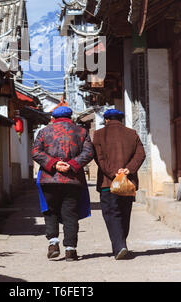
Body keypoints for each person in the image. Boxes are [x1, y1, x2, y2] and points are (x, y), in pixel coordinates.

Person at [32, 106, 94, 262]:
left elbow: (36, 152)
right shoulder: (81, 132)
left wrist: (53, 164)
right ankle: (70, 250)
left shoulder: (44, 131)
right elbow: (88, 152)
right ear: (70, 116)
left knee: (50, 211)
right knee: (70, 213)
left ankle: (53, 244)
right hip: (72, 180)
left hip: (49, 179)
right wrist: (71, 165)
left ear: (53, 117)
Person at [93, 108, 146, 260]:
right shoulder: (132, 133)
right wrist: (128, 170)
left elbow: (99, 158)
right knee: (124, 214)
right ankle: (120, 244)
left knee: (112, 214)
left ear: (106, 120)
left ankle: (120, 246)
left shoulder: (99, 134)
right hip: (127, 183)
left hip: (107, 183)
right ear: (121, 119)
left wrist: (113, 173)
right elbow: (141, 154)